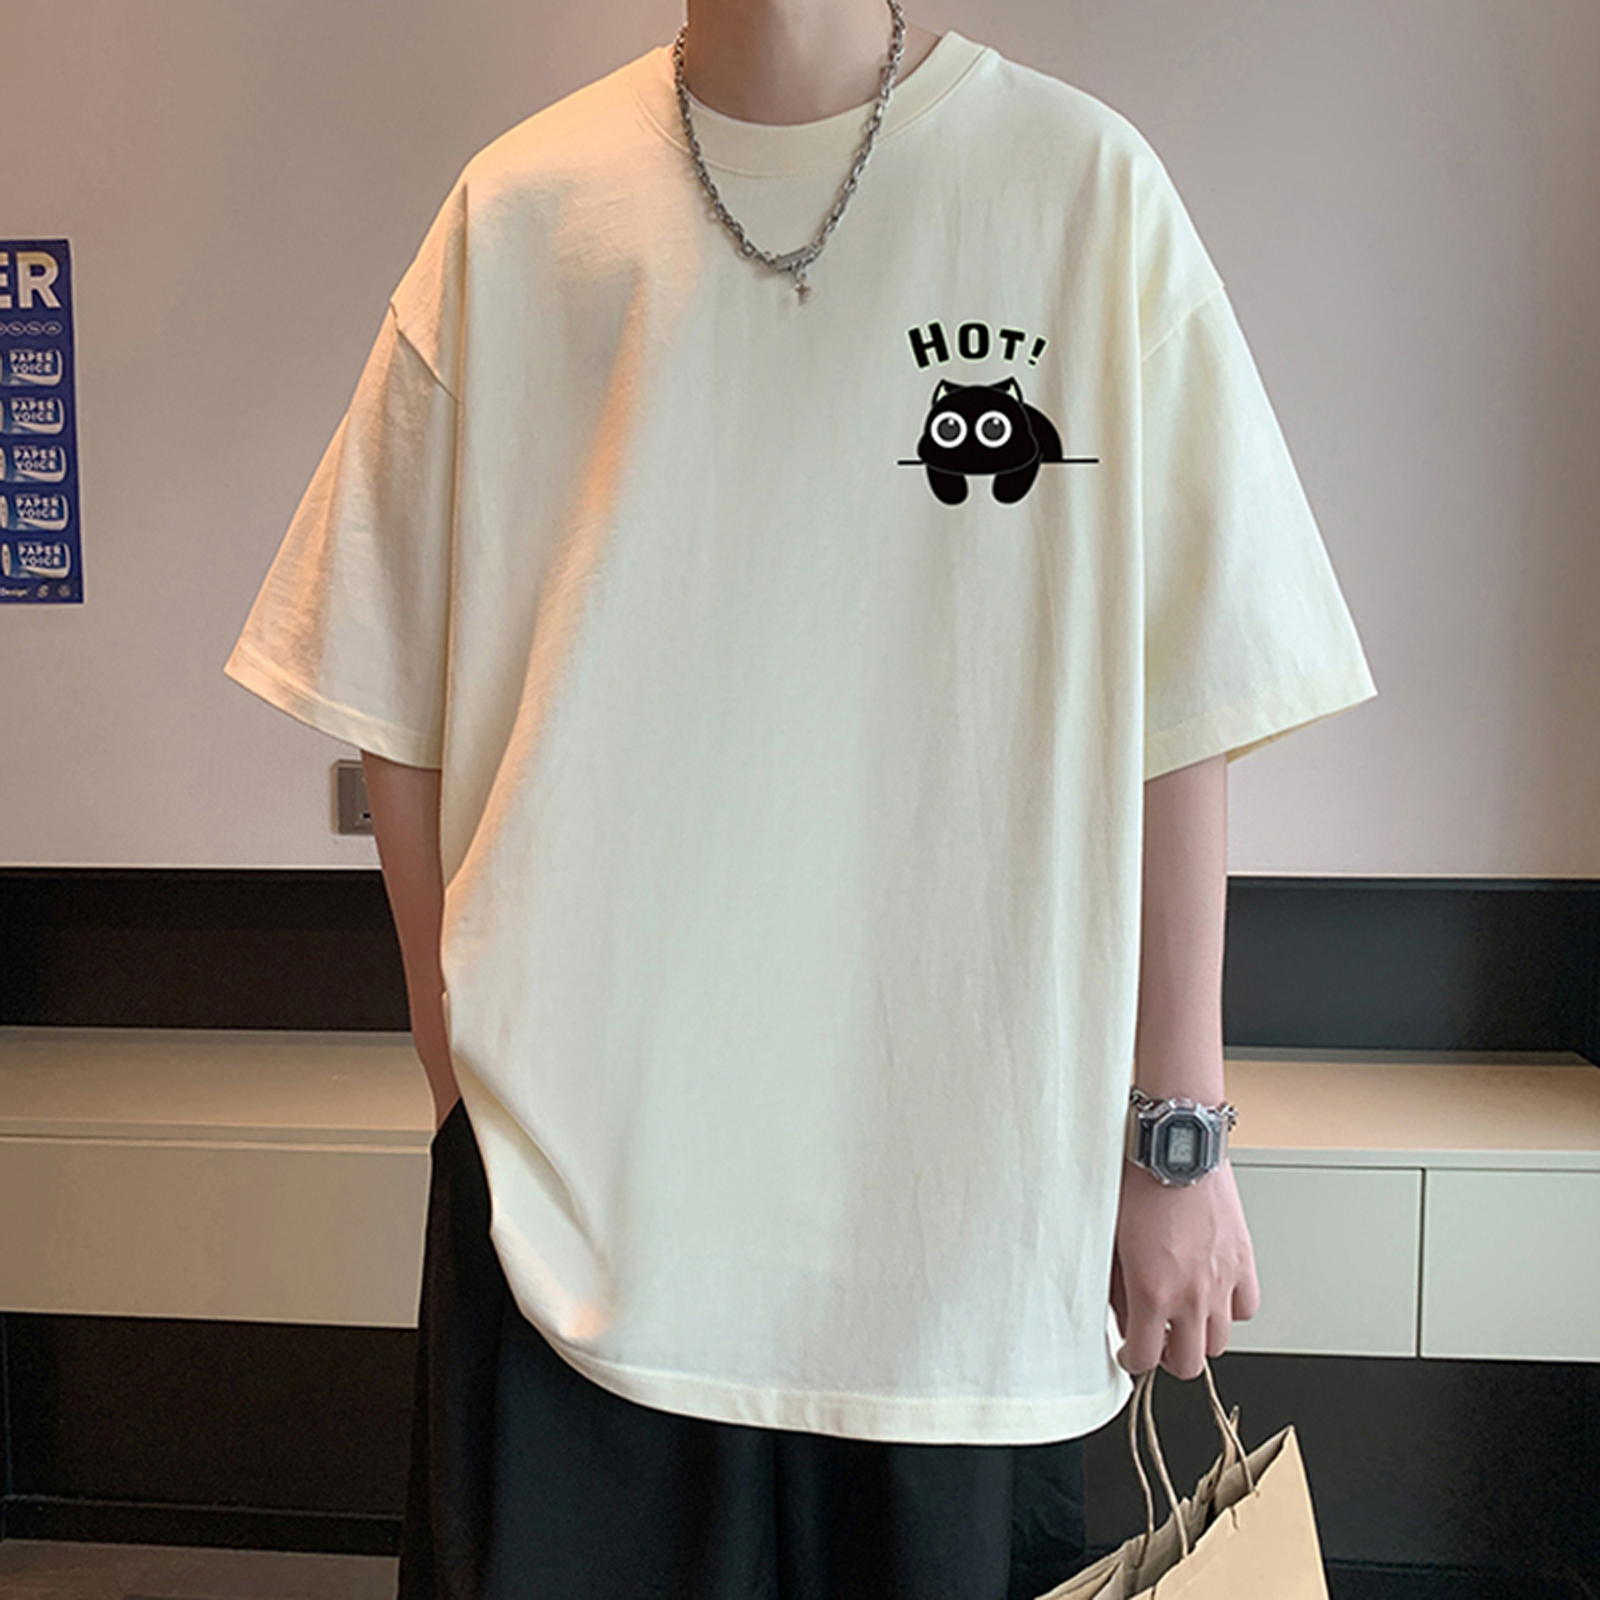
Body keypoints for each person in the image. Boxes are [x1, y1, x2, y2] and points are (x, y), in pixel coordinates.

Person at [222, 1, 1378, 1595]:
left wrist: (1174, 1141)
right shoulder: (521, 213)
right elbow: (388, 693)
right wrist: (459, 1083)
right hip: (575, 1229)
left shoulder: (1081, 191)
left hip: (962, 1245)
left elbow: (1186, 702)